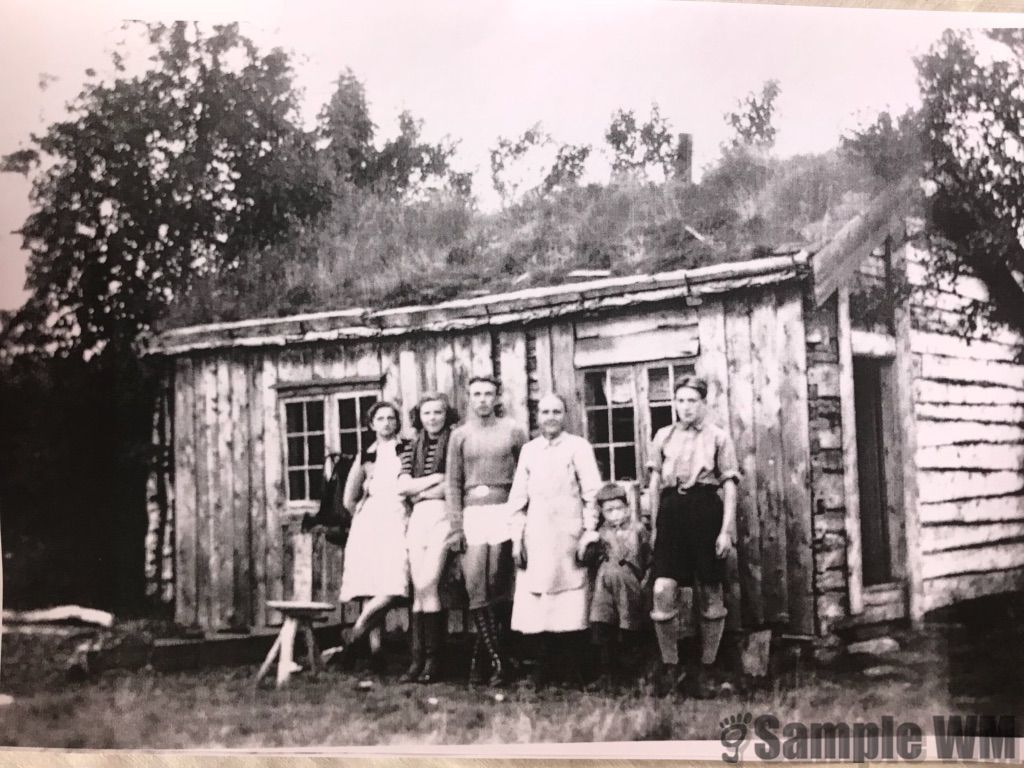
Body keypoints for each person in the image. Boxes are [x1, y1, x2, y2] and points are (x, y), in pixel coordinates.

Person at [646, 375, 739, 698]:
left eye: (692, 401)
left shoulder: (718, 437)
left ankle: (708, 667)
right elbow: (655, 484)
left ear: (703, 403)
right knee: (663, 588)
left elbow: (728, 484)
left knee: (710, 589)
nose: (686, 407)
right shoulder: (663, 436)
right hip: (671, 514)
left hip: (705, 512)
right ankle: (670, 666)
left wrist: (726, 529)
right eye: (681, 400)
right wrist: (655, 526)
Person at [508, 392, 603, 689]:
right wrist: (516, 539)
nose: (551, 417)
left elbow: (592, 495)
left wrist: (588, 533)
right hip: (537, 535)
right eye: (545, 411)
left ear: (565, 416)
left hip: (568, 535)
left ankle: (572, 671)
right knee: (538, 604)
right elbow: (518, 499)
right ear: (538, 416)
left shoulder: (578, 447)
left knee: (571, 604)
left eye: (557, 412)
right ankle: (542, 670)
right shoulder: (529, 451)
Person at [446, 375, 527, 686]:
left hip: (504, 512)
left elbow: (525, 474)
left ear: (497, 397)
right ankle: (498, 661)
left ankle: (484, 661)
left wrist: (521, 518)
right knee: (476, 586)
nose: (482, 399)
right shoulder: (459, 436)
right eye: (476, 394)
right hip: (473, 514)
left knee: (498, 584)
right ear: (469, 397)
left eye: (488, 394)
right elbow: (452, 482)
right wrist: (456, 527)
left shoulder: (513, 431)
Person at [327, 401, 410, 673]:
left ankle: (355, 635)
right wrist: (363, 512)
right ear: (372, 424)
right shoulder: (366, 454)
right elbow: (349, 498)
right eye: (380, 419)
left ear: (397, 423)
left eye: (391, 418)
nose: (386, 423)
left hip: (399, 519)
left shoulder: (407, 448)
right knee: (371, 585)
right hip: (370, 523)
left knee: (393, 585)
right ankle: (376, 653)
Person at [397, 392, 460, 683]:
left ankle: (435, 659)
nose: (432, 418)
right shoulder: (411, 446)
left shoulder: (456, 442)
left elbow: (456, 484)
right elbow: (403, 486)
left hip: (444, 515)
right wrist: (436, 480)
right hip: (419, 516)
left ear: (446, 415)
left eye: (437, 412)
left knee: (428, 584)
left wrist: (425, 488)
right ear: (419, 416)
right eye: (427, 413)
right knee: (418, 591)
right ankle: (417, 659)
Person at [587, 482, 652, 691]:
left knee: (629, 625)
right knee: (602, 622)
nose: (615, 515)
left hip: (628, 582)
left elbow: (650, 560)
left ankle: (631, 676)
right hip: (604, 582)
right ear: (602, 513)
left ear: (627, 508)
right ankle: (607, 675)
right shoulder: (601, 533)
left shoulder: (639, 530)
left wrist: (644, 583)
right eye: (609, 510)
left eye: (619, 509)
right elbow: (587, 557)